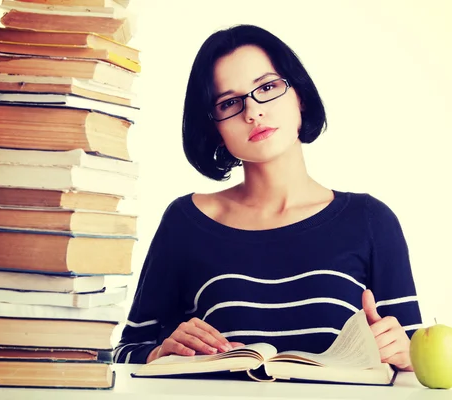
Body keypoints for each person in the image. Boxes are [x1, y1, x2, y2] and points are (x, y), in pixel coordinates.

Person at [114, 24, 422, 372]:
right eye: (230, 102)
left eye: (267, 87)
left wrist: (406, 354)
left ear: (300, 95)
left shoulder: (370, 220)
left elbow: (417, 359)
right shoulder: (186, 221)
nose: (253, 111)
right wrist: (159, 354)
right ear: (215, 126)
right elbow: (124, 353)